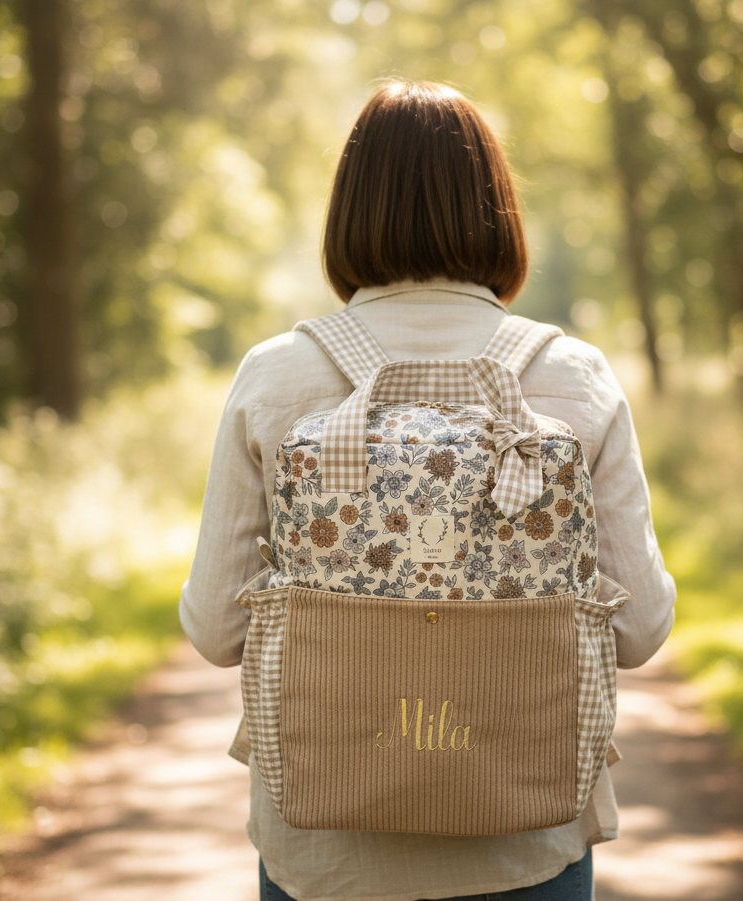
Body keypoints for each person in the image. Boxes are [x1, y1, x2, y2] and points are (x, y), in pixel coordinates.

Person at [180, 79, 676, 901]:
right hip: (527, 846)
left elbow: (214, 625)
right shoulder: (571, 377)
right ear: (499, 211)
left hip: (326, 859)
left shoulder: (277, 376)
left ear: (349, 213)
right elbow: (642, 628)